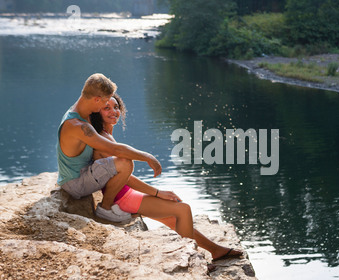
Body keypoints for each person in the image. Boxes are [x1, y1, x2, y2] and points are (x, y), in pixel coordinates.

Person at [90, 93, 243, 262]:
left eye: (116, 107)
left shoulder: (106, 135)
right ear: (98, 113)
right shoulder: (103, 139)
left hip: (126, 194)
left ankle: (215, 250)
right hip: (122, 199)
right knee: (182, 209)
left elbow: (124, 176)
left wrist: (156, 193)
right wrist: (157, 192)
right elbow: (127, 179)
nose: (114, 111)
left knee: (172, 218)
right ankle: (192, 260)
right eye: (107, 108)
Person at [56, 73, 162, 222]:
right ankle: (105, 209)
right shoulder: (77, 126)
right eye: (104, 103)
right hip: (76, 184)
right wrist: (148, 158)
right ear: (97, 99)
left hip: (77, 175)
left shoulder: (79, 111)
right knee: (124, 162)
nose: (103, 107)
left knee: (117, 161)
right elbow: (116, 150)